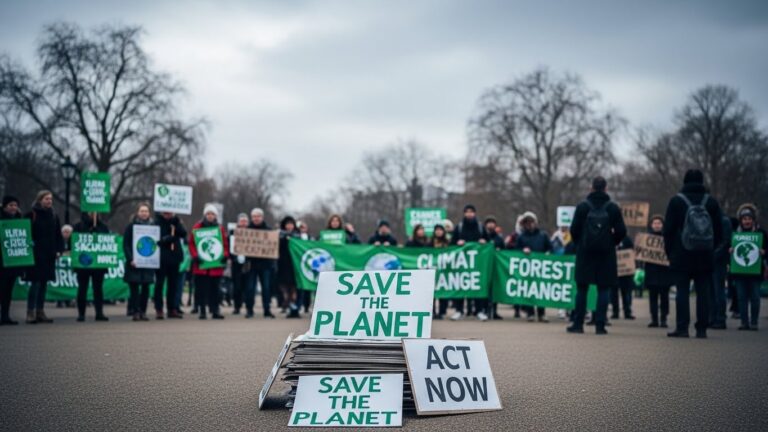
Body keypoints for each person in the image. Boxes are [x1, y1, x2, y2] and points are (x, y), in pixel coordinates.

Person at [662, 169, 723, 339]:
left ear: (684, 181)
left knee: (682, 292)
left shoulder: (676, 201)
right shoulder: (711, 202)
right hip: (705, 255)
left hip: (681, 254)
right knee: (703, 293)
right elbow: (719, 230)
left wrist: (670, 252)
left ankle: (682, 328)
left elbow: (668, 230)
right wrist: (711, 248)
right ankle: (702, 329)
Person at [567, 177, 627, 335]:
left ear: (591, 188)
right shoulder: (613, 208)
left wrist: (581, 243)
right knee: (603, 289)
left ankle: (578, 324)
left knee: (582, 289)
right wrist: (611, 242)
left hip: (585, 253)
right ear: (606, 189)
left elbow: (573, 230)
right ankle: (600, 325)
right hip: (606, 254)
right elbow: (622, 231)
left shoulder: (582, 207)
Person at [23, 190, 64, 324]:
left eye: (51, 199)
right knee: (35, 283)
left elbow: (58, 235)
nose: (49, 201)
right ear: (40, 200)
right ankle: (30, 312)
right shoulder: (31, 215)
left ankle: (40, 312)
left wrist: (59, 250)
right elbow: (24, 233)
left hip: (49, 255)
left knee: (44, 284)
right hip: (36, 255)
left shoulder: (54, 215)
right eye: (46, 199)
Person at [189, 204, 229, 320]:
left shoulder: (219, 228)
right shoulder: (197, 227)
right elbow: (192, 243)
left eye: (212, 214)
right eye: (208, 214)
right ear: (205, 215)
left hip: (215, 266)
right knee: (201, 289)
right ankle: (202, 310)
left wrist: (225, 255)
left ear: (215, 216)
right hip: (201, 266)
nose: (210, 216)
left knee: (215, 290)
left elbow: (224, 244)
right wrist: (195, 256)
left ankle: (215, 310)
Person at [730, 204, 766, 331]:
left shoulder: (761, 233)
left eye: (749, 218)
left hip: (755, 272)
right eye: (744, 219)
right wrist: (730, 250)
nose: (747, 221)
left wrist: (764, 252)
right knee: (741, 297)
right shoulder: (735, 234)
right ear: (740, 220)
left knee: (755, 297)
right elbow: (728, 250)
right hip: (740, 272)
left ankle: (754, 322)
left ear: (753, 220)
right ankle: (744, 322)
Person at [450, 204, 487, 321]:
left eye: (471, 211)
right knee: (460, 285)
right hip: (462, 263)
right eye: (467, 212)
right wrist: (457, 243)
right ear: (464, 213)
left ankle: (479, 311)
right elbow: (451, 244)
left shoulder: (480, 227)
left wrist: (483, 242)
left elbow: (488, 242)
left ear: (475, 213)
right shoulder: (459, 227)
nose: (469, 214)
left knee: (477, 286)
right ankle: (459, 310)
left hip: (477, 263)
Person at [515, 212, 552, 323]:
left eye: (531, 221)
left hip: (541, 268)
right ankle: (530, 313)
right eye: (527, 222)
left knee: (541, 290)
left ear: (535, 222)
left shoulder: (543, 235)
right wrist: (522, 251)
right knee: (528, 290)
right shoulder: (521, 237)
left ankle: (541, 313)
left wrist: (548, 253)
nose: (529, 224)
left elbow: (550, 248)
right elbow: (516, 252)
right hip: (527, 269)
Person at [72, 213, 109, 322]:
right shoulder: (78, 226)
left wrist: (97, 232)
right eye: (90, 212)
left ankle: (99, 313)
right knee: (82, 289)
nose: (93, 214)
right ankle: (81, 314)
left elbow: (108, 241)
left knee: (98, 289)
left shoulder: (103, 226)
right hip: (83, 264)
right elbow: (73, 242)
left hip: (98, 265)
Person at [123, 203, 155, 321]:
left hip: (148, 263)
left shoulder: (153, 227)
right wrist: (130, 259)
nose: (144, 213)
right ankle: (135, 311)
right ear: (138, 213)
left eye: (146, 211)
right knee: (135, 290)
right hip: (134, 263)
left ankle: (143, 312)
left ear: (149, 213)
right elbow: (126, 244)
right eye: (142, 211)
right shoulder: (131, 227)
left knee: (146, 289)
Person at [153, 211, 187, 319]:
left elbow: (183, 233)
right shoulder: (157, 222)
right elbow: (155, 239)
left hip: (174, 257)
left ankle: (172, 308)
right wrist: (166, 239)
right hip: (161, 258)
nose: (167, 214)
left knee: (173, 285)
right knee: (159, 284)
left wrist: (176, 223)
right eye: (165, 213)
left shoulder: (176, 222)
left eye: (169, 213)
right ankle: (159, 309)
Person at [644, 216, 674, 328]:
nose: (657, 225)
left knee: (664, 297)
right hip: (651, 271)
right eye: (654, 223)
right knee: (653, 297)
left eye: (659, 223)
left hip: (664, 272)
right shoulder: (646, 239)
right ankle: (654, 319)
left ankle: (663, 319)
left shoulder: (667, 238)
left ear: (663, 225)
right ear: (651, 225)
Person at [245, 208, 276, 318]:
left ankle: (267, 310)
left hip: (265, 264)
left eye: (258, 216)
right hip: (251, 264)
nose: (256, 218)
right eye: (254, 216)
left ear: (262, 217)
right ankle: (249, 310)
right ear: (251, 218)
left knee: (266, 288)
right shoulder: (246, 230)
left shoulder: (269, 230)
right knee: (250, 288)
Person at [0, 196, 24, 325]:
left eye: (15, 205)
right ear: (4, 206)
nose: (13, 208)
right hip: (2, 261)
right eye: (10, 205)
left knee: (8, 290)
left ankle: (5, 316)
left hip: (12, 261)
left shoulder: (19, 220)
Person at [710, 213, 732, 329]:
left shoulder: (723, 221)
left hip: (718, 261)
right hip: (713, 259)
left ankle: (720, 318)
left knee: (718, 291)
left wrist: (713, 255)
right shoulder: (716, 219)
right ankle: (713, 317)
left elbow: (726, 241)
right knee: (712, 291)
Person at [278, 215, 302, 318]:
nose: (289, 226)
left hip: (295, 265)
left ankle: (294, 308)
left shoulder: (298, 236)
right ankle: (289, 306)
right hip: (283, 265)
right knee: (285, 287)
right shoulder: (279, 236)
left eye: (291, 224)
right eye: (287, 224)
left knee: (295, 288)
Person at [611, 235, 636, 321]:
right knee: (613, 293)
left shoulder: (626, 239)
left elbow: (632, 252)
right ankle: (615, 312)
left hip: (625, 272)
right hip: (613, 271)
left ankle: (627, 312)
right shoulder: (609, 237)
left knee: (626, 293)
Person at [230, 213, 250, 315]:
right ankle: (237, 307)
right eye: (241, 221)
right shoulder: (232, 232)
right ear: (238, 222)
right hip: (236, 263)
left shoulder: (252, 232)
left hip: (248, 264)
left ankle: (247, 307)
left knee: (247, 287)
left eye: (245, 221)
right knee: (236, 287)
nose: (243, 223)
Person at [430, 224, 450, 319]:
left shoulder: (448, 242)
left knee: (443, 290)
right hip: (432, 269)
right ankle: (432, 311)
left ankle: (442, 311)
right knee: (431, 292)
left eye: (440, 230)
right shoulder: (430, 242)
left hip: (444, 270)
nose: (438, 232)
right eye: (436, 230)